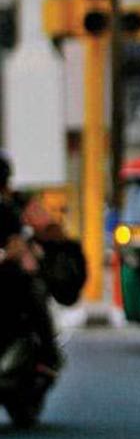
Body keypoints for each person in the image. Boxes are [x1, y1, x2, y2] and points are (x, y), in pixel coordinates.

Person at [0, 155, 62, 373]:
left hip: (10, 273)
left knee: (34, 291)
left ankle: (49, 354)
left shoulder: (12, 206)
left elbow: (19, 242)